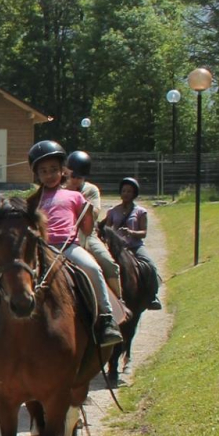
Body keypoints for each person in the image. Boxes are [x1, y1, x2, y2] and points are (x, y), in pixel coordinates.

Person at [27, 141, 122, 347]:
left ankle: (106, 319)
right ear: (37, 175)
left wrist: (87, 212)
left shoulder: (75, 196)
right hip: (41, 249)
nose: (49, 174)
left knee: (93, 268)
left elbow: (87, 229)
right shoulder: (33, 201)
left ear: (63, 171)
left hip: (68, 246)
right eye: (44, 171)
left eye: (54, 169)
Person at [62, 150, 122, 301]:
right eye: (73, 176)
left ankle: (118, 300)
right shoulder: (60, 190)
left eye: (79, 177)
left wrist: (78, 198)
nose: (75, 180)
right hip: (64, 234)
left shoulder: (91, 190)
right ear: (67, 173)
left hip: (88, 234)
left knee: (109, 264)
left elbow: (94, 212)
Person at [104, 177, 162, 310]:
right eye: (124, 191)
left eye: (129, 191)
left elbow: (144, 232)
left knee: (150, 265)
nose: (126, 194)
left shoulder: (140, 212)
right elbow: (106, 229)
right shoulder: (112, 211)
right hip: (118, 248)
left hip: (135, 246)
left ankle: (153, 296)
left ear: (134, 194)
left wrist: (131, 232)